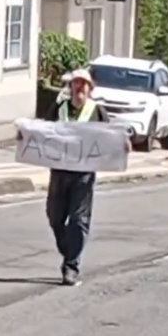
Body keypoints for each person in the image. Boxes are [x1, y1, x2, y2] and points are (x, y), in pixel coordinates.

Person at [41, 69, 129, 286]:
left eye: (84, 84)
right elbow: (42, 131)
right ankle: (68, 250)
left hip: (83, 176)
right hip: (59, 173)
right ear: (70, 87)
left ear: (90, 88)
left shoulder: (96, 111)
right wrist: (24, 137)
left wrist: (123, 143)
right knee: (54, 216)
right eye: (76, 83)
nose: (79, 87)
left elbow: (111, 135)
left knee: (79, 221)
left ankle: (71, 266)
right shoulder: (59, 109)